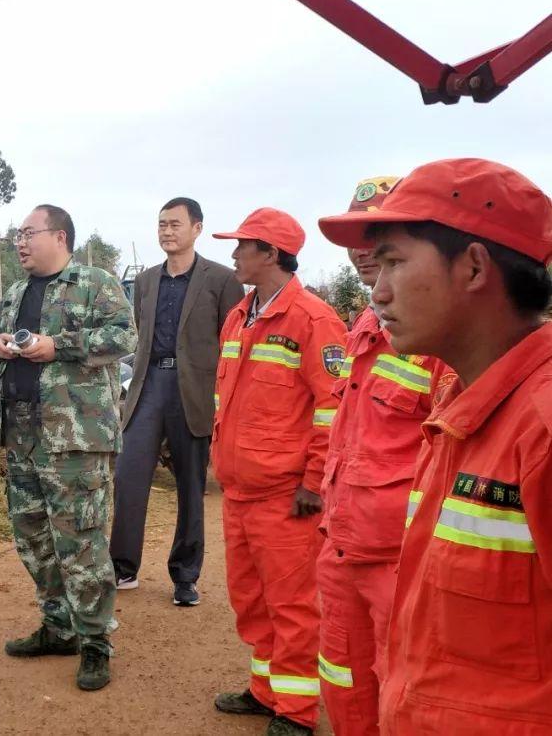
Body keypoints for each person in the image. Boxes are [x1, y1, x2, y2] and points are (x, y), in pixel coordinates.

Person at [319, 158, 552, 736]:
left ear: (474, 267)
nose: (377, 290)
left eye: (394, 262)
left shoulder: (541, 424)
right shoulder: (461, 403)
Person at [314, 178, 451, 736]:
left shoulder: (444, 341)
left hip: (401, 561)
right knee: (342, 681)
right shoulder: (364, 329)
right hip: (341, 546)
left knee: (406, 695)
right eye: (357, 238)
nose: (362, 252)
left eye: (382, 239)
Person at [0, 204, 136, 692]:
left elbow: (124, 337)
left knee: (81, 542)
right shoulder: (15, 291)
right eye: (18, 235)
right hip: (22, 433)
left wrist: (59, 345)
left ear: (60, 236)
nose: (21, 243)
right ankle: (58, 626)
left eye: (29, 233)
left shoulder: (95, 282)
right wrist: (0, 346)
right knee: (33, 539)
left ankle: (95, 643)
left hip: (76, 439)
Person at [209, 208, 346, 736]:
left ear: (271, 253)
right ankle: (265, 689)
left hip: (286, 495)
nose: (235, 254)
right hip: (239, 491)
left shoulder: (314, 321)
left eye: (243, 245)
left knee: (292, 605)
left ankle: (295, 712)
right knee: (251, 598)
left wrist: (314, 484)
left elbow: (334, 410)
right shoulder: (239, 315)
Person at [109, 196, 243, 605]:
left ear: (197, 228)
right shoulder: (147, 281)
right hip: (148, 387)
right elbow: (140, 337)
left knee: (190, 484)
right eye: (162, 224)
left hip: (195, 392)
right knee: (129, 477)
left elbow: (233, 344)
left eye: (175, 224)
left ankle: (185, 576)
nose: (167, 231)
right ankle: (122, 568)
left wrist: (225, 402)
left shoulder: (221, 281)